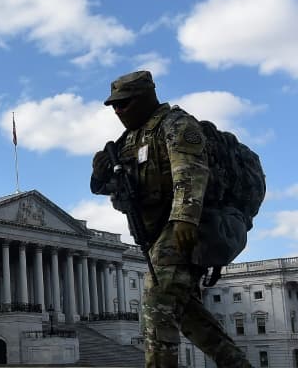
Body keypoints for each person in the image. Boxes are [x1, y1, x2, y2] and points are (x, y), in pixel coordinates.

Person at [90, 71, 252, 368]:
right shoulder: (128, 141)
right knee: (191, 319)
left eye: (124, 103)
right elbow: (123, 188)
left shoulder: (176, 124)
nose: (118, 110)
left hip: (186, 228)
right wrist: (100, 177)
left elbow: (190, 172)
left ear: (146, 97)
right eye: (114, 105)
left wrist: (184, 219)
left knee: (155, 300)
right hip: (154, 235)